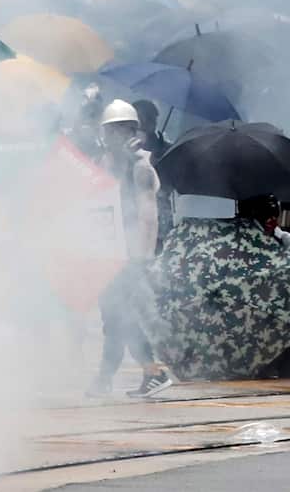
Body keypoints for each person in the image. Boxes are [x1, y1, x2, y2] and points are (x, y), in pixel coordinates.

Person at [89, 99, 174, 398]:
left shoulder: (140, 168)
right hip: (109, 251)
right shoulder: (105, 163)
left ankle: (113, 377)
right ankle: (146, 373)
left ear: (132, 131)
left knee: (119, 317)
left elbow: (148, 217)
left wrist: (142, 259)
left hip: (130, 255)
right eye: (111, 130)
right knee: (115, 316)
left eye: (122, 129)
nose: (115, 136)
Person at [132, 99, 175, 251]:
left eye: (148, 117)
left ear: (155, 120)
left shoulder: (168, 150)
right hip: (133, 219)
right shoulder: (128, 148)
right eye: (140, 118)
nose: (144, 123)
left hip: (161, 219)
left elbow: (172, 184)